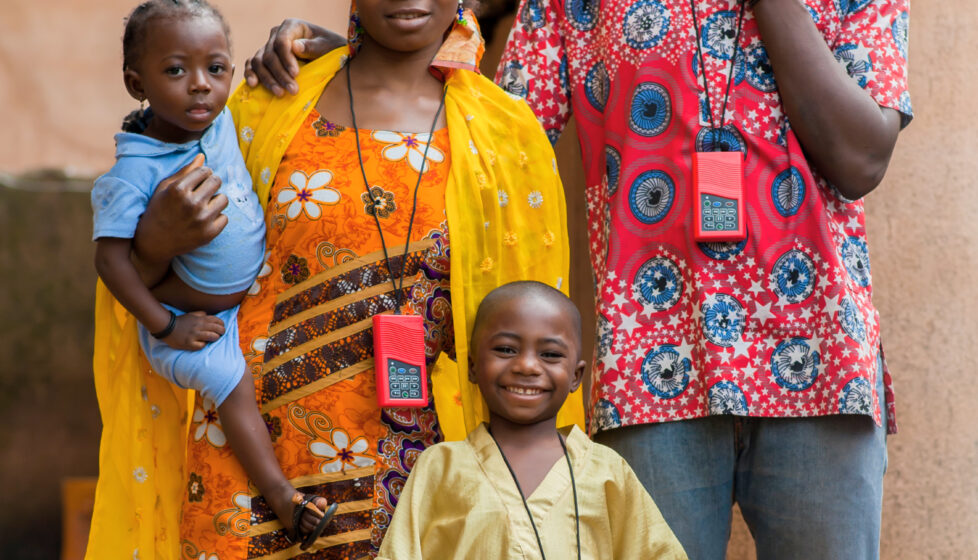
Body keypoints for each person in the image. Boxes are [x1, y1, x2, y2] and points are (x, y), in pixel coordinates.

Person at [248, 0, 913, 557]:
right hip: (654, 369)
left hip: (819, 359)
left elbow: (860, 158)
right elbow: (489, 129)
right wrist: (359, 65)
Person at [86, 2, 584, 559]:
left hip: (413, 476)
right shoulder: (271, 102)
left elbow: (527, 347)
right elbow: (157, 276)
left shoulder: (503, 135)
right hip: (243, 465)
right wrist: (154, 244)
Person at [90, 1, 334, 549]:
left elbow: (334, 54)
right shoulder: (133, 173)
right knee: (234, 387)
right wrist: (164, 328)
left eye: (215, 68)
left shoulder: (223, 118)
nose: (200, 86)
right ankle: (282, 497)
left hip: (249, 302)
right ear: (137, 83)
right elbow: (110, 262)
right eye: (176, 71)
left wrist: (300, 35)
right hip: (187, 319)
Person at [376, 281, 686, 559]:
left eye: (550, 354)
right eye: (506, 349)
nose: (526, 366)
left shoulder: (607, 471)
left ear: (577, 375)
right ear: (472, 366)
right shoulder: (440, 467)